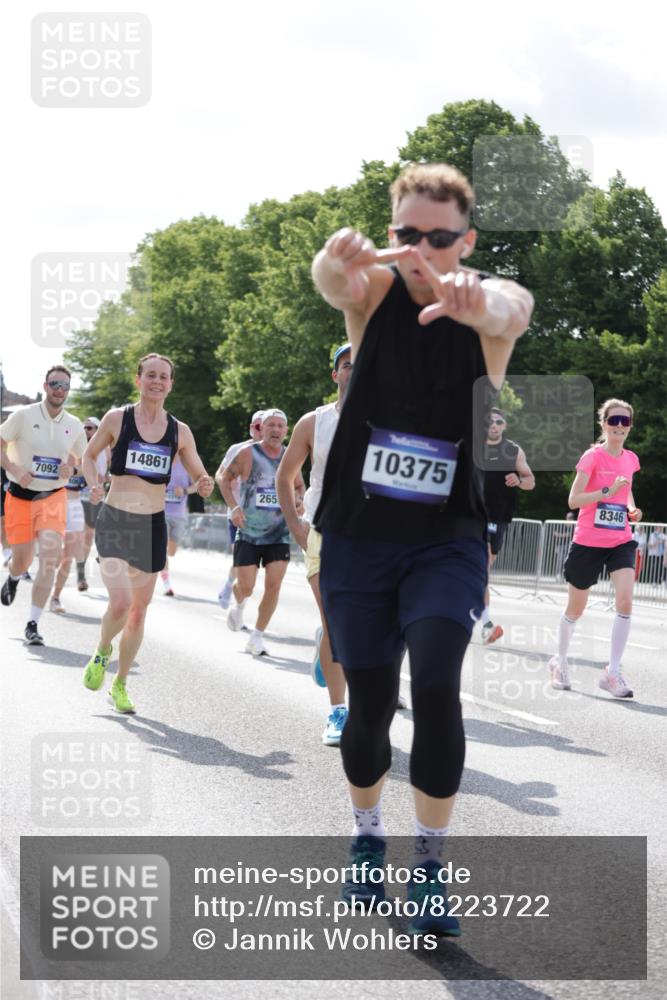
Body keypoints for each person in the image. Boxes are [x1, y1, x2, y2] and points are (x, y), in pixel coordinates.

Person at [311, 162, 533, 935]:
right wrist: (333, 259)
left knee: (436, 684)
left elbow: (513, 310)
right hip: (357, 538)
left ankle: (431, 867)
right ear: (391, 231)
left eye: (438, 239)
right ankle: (367, 838)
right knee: (370, 707)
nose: (419, 249)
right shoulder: (370, 294)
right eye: (404, 234)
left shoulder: (482, 307)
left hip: (446, 540)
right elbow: (333, 282)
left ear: (463, 240)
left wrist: (481, 300)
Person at [81, 353, 213, 713]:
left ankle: (120, 684)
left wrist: (204, 482)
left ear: (171, 384)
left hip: (152, 525)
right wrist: (93, 483)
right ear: (138, 379)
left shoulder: (179, 431)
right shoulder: (116, 419)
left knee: (139, 611)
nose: (157, 381)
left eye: (164, 377)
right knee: (120, 603)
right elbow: (88, 457)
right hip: (116, 520)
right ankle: (102, 649)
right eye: (150, 375)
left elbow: (200, 472)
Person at [276, 345, 353, 745]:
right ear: (335, 375)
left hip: (373, 537)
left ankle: (327, 640)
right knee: (337, 621)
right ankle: (339, 710)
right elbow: (286, 476)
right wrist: (296, 525)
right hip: (323, 529)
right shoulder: (314, 422)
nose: (355, 372)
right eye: (347, 366)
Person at [549, 398, 642, 699]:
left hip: (620, 540)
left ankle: (612, 672)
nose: (618, 426)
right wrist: (606, 492)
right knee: (576, 609)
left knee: (625, 601)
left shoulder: (631, 459)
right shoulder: (592, 457)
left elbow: (626, 494)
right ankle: (559, 661)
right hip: (588, 541)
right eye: (613, 420)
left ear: (629, 426)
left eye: (624, 421)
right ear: (603, 424)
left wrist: (631, 508)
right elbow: (573, 500)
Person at [0, 366, 87, 644]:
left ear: (68, 390)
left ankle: (33, 624)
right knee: (23, 559)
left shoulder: (73, 424)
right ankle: (13, 576)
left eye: (64, 385)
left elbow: (81, 461)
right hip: (20, 496)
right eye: (54, 384)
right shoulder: (23, 416)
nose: (59, 389)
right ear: (46, 386)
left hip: (52, 497)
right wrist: (14, 467)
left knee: (50, 557)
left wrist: (70, 470)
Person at [219, 409, 304, 657]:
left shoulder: (291, 455)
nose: (276, 430)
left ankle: (257, 636)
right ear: (261, 428)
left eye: (280, 426)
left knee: (274, 586)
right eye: (271, 425)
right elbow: (224, 479)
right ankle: (239, 604)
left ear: (286, 430)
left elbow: (299, 484)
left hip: (279, 532)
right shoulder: (247, 453)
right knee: (246, 586)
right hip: (249, 531)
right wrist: (234, 507)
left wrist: (298, 499)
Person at [480, 406, 535, 643]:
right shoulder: (473, 446)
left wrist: (518, 479)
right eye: (490, 421)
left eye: (498, 422)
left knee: (482, 570)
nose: (494, 425)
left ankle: (480, 620)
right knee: (479, 567)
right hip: (470, 515)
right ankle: (486, 624)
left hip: (498, 517)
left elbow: (530, 481)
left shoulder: (513, 450)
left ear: (505, 426)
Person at [214, 411, 264, 610]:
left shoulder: (277, 453)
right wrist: (232, 491)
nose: (260, 431)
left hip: (264, 519)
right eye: (257, 426)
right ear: (251, 428)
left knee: (252, 568)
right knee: (242, 561)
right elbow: (219, 475)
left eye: (264, 426)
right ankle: (232, 593)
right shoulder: (238, 449)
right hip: (238, 515)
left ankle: (234, 594)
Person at [49, 463, 87, 613]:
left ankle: (55, 597)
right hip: (55, 504)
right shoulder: (56, 445)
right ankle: (44, 582)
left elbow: (93, 474)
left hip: (75, 506)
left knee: (67, 558)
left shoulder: (84, 450)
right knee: (55, 556)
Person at [76, 417, 110, 591]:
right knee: (84, 535)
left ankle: (102, 554)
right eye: (84, 428)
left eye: (90, 428)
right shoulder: (80, 446)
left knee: (92, 536)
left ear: (98, 429)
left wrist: (107, 477)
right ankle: (81, 576)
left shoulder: (106, 448)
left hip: (98, 497)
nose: (86, 431)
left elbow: (109, 469)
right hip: (81, 495)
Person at [160, 456, 194, 596]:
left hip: (179, 515)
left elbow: (197, 485)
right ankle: (166, 584)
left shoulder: (187, 463)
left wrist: (185, 491)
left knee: (172, 551)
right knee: (162, 548)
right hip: (161, 512)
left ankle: (161, 554)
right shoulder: (162, 461)